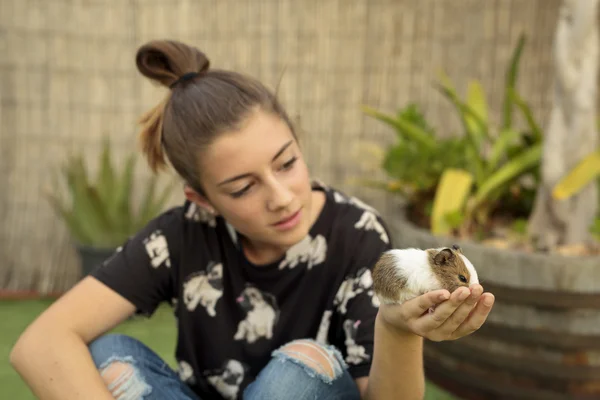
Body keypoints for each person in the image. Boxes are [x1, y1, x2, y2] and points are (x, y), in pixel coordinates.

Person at [10, 39, 495, 400]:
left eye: (287, 163)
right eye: (243, 188)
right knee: (109, 355)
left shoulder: (356, 234)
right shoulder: (181, 236)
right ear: (201, 199)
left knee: (299, 370)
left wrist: (397, 328)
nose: (282, 197)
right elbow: (40, 344)